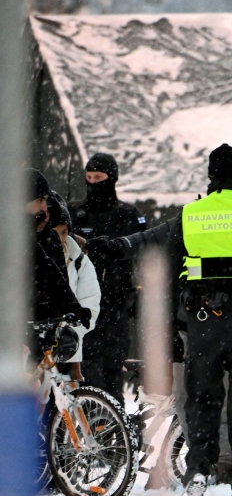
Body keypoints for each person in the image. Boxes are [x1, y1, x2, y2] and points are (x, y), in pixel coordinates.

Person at [92, 144, 232, 496]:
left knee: (202, 400)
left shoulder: (191, 215)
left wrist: (114, 246)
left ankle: (199, 469)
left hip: (202, 322)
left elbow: (154, 249)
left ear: (211, 176)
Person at [71, 153, 146, 403]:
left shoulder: (128, 215)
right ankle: (95, 426)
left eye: (99, 178)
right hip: (83, 305)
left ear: (111, 179)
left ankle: (114, 431)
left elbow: (145, 256)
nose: (93, 183)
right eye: (89, 177)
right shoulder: (75, 213)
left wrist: (137, 293)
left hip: (116, 305)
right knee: (88, 371)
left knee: (113, 370)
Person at [48, 192, 101, 378]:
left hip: (69, 352)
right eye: (55, 232)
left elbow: (90, 301)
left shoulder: (78, 259)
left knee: (68, 402)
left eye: (64, 232)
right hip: (31, 350)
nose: (61, 238)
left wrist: (72, 332)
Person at [26, 169, 85, 329]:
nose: (44, 206)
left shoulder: (26, 232)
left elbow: (45, 269)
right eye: (39, 199)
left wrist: (72, 306)